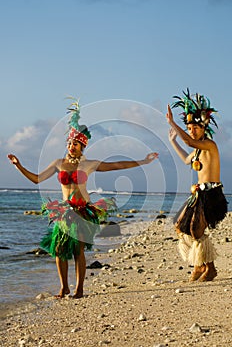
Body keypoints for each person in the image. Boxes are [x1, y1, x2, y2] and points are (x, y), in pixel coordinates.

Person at [8, 99, 159, 298]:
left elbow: (117, 165)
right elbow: (37, 179)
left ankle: (79, 289)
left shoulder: (89, 164)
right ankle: (64, 287)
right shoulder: (58, 163)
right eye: (70, 143)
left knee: (78, 250)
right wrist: (18, 166)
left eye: (76, 144)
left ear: (83, 147)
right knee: (60, 249)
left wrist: (143, 161)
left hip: (82, 209)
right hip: (64, 210)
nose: (72, 146)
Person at [166, 88, 227, 282]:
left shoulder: (209, 145)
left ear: (204, 127)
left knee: (196, 230)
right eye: (190, 127)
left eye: (195, 127)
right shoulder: (199, 151)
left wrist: (172, 123)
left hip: (212, 195)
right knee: (179, 226)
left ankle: (210, 268)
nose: (192, 131)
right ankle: (200, 264)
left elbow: (189, 142)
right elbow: (186, 159)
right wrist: (172, 141)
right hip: (199, 194)